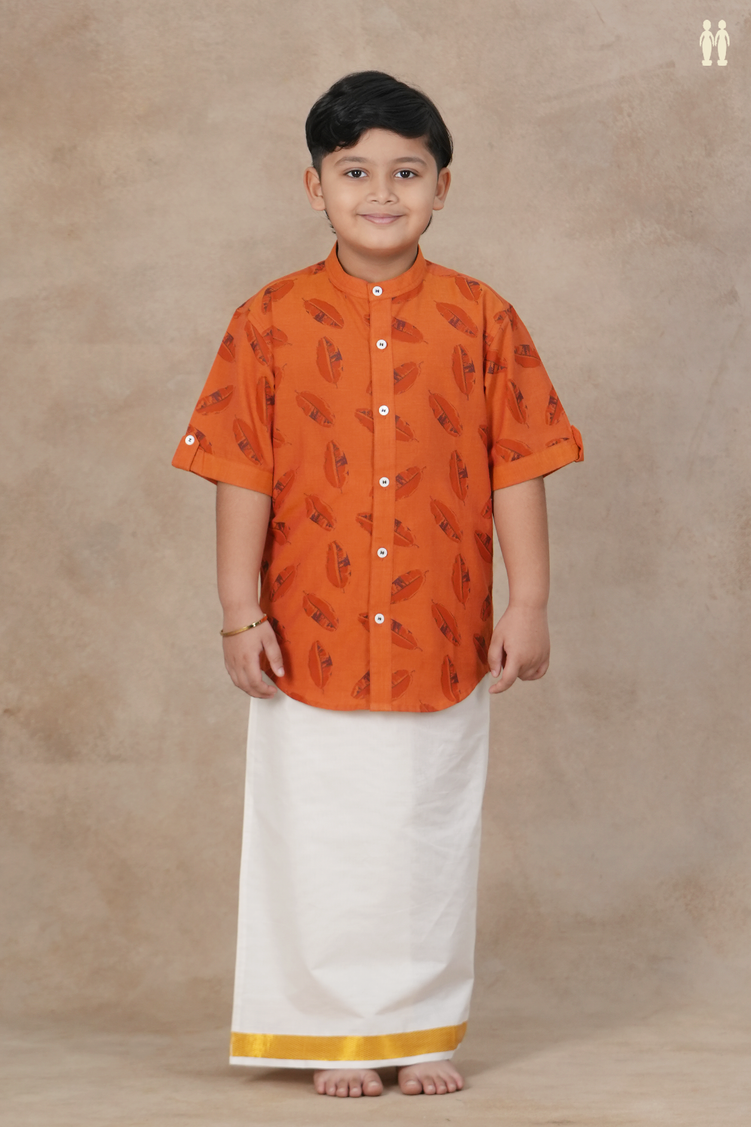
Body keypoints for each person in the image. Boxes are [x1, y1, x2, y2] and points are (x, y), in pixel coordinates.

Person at [172, 70, 582, 1099]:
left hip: (442, 630)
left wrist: (528, 601)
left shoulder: (483, 318)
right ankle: (331, 1030)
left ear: (443, 186)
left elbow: (519, 461)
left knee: (427, 833)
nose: (382, 191)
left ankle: (419, 1026)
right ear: (314, 187)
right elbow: (240, 468)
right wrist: (238, 612)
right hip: (306, 635)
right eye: (354, 171)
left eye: (407, 170)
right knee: (318, 832)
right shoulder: (267, 320)